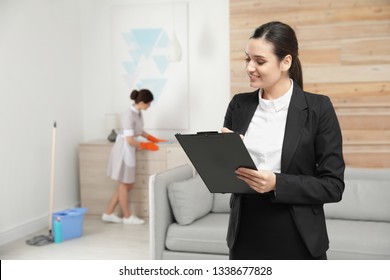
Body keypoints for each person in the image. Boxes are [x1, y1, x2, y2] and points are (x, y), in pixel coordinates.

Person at [222, 21, 345, 259]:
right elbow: (227, 177)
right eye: (247, 59)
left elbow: (333, 186)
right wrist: (220, 155)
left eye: (259, 61)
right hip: (245, 233)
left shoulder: (318, 108)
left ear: (285, 62)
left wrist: (277, 183)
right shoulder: (239, 105)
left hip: (297, 235)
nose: (249, 67)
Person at [103, 89, 166, 225]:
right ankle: (127, 216)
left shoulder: (138, 113)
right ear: (142, 102)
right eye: (148, 104)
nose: (149, 106)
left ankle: (108, 213)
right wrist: (147, 146)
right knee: (125, 183)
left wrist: (153, 138)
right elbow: (130, 140)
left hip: (129, 150)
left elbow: (139, 131)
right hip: (124, 150)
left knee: (126, 184)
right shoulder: (128, 115)